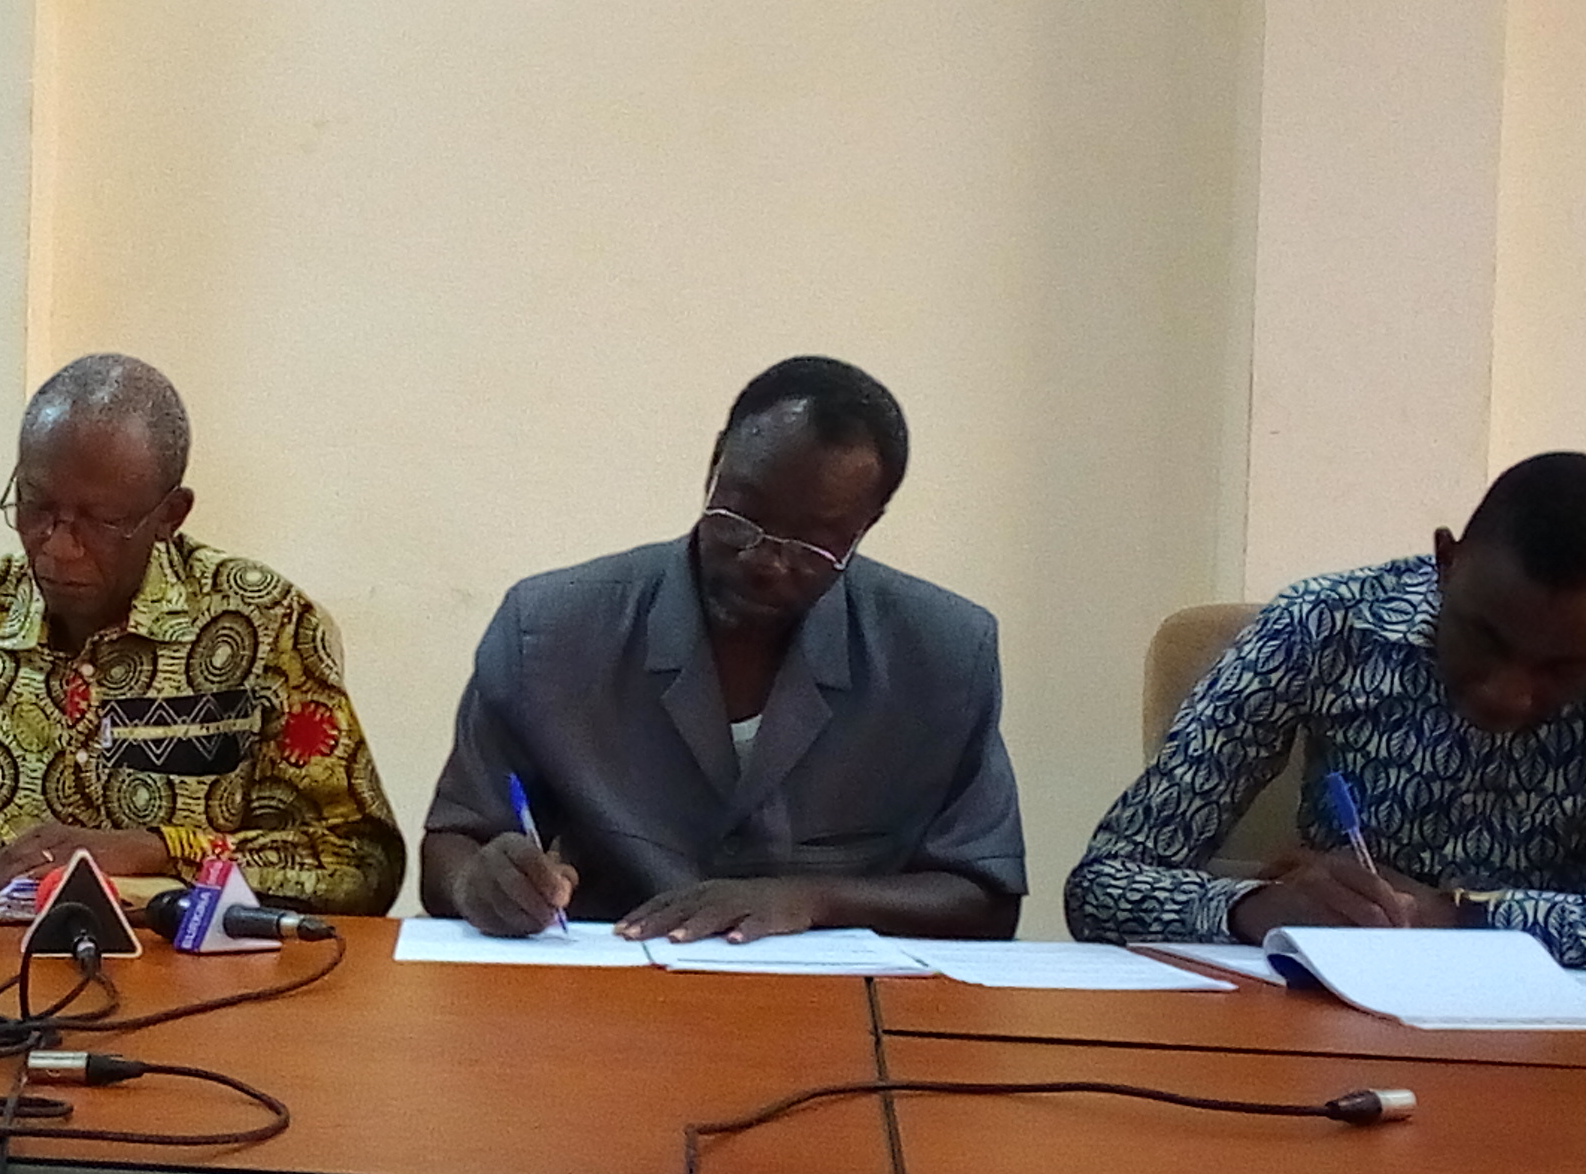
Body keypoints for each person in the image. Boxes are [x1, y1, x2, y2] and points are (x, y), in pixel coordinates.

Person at [422, 356, 1024, 941]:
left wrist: (810, 901)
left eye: (812, 545)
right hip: (609, 982)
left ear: (867, 524)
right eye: (741, 516)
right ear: (715, 465)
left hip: (841, 998)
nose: (765, 561)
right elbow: (452, 845)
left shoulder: (943, 655)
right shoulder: (548, 632)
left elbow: (986, 899)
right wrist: (482, 884)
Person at [0, 354, 404, 915]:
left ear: (169, 516)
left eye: (103, 521)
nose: (58, 546)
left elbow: (362, 864)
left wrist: (161, 849)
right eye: (35, 506)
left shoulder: (263, 623)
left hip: (201, 973)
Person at [1067, 452, 1586, 962]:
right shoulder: (1324, 626)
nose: (1507, 694)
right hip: (1336, 995)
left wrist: (1454, 916)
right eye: (1485, 639)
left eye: (1562, 667)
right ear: (1446, 562)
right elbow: (1102, 887)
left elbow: (1439, 916)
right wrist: (1253, 907)